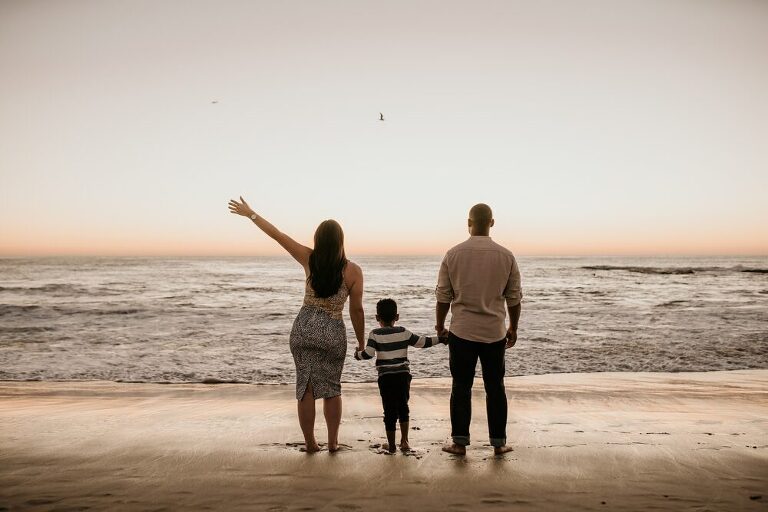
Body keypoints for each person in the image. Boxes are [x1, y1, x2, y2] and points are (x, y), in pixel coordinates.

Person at [228, 196, 365, 453]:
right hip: (333, 330)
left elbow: (278, 235)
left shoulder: (309, 258)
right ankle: (333, 443)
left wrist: (251, 214)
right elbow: (357, 310)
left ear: (318, 240)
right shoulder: (353, 271)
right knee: (332, 388)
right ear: (341, 241)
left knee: (306, 387)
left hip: (304, 327)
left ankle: (311, 444)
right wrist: (361, 342)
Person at [435, 203, 522, 456]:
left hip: (461, 332)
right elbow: (514, 298)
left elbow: (443, 296)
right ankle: (498, 443)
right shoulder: (506, 256)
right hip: (494, 332)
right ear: (492, 222)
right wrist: (513, 327)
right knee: (495, 387)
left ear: (469, 223)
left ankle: (460, 443)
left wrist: (440, 326)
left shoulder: (453, 254)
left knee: (461, 386)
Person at [355, 298, 446, 453]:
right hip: (403, 376)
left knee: (389, 410)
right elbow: (422, 342)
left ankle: (391, 446)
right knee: (403, 407)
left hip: (386, 378)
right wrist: (442, 339)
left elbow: (369, 354)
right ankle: (404, 441)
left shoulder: (375, 334)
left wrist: (357, 354)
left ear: (377, 318)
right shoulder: (403, 332)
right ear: (396, 317)